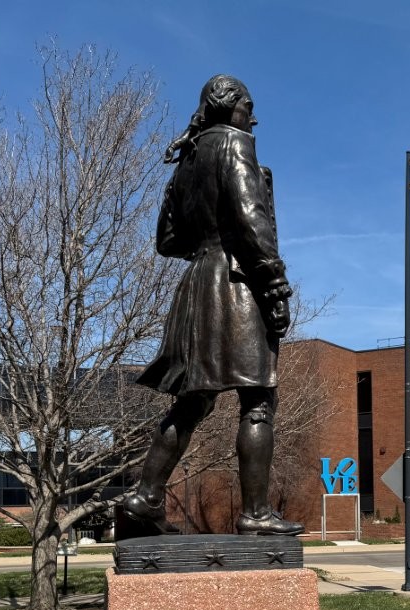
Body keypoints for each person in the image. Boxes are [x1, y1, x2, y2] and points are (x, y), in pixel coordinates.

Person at [122, 75, 303, 537]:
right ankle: (256, 513)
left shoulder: (187, 160)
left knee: (191, 402)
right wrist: (275, 284)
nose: (253, 117)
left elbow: (167, 242)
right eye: (249, 106)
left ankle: (145, 497)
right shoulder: (234, 144)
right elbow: (250, 220)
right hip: (236, 285)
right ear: (233, 107)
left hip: (196, 286)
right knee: (258, 398)